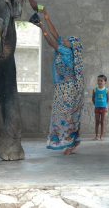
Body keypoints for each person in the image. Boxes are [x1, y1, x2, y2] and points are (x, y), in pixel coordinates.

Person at [29, 9, 84, 155]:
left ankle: (69, 144)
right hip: (63, 88)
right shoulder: (67, 48)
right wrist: (46, 17)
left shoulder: (66, 52)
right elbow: (56, 34)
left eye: (68, 41)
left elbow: (52, 42)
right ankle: (72, 143)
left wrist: (42, 28)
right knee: (66, 116)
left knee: (65, 117)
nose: (65, 40)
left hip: (67, 90)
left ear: (71, 46)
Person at [92, 75, 109, 141]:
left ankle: (101, 136)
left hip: (104, 108)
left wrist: (105, 106)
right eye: (98, 80)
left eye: (101, 81)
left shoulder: (106, 90)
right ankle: (96, 136)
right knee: (97, 121)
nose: (99, 82)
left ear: (105, 82)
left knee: (102, 122)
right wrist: (96, 105)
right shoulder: (95, 89)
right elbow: (93, 99)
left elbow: (107, 99)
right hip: (97, 108)